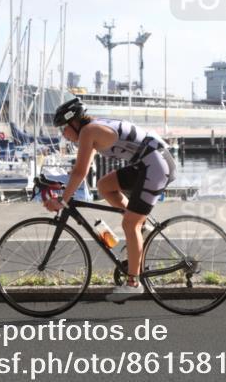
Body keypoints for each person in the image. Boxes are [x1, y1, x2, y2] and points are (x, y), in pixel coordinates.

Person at [44, 98, 176, 302]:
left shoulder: (89, 132)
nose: (64, 135)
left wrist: (62, 201)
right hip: (147, 163)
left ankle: (133, 283)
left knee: (129, 223)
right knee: (105, 186)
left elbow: (80, 172)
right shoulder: (92, 129)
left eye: (64, 129)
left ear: (74, 123)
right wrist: (62, 187)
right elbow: (79, 169)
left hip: (156, 166)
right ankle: (141, 229)